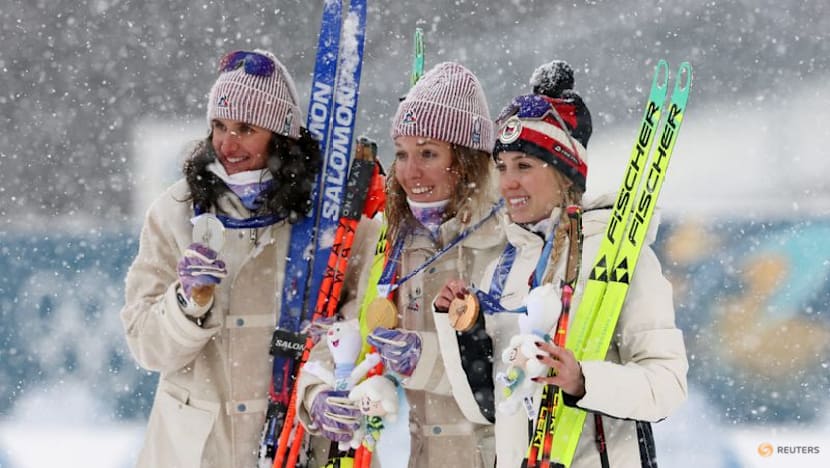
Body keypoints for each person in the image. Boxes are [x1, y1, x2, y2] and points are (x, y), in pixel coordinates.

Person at [120, 49, 375, 468]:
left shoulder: (333, 221)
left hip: (294, 443)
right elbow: (147, 347)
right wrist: (187, 304)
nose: (227, 143)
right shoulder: (174, 213)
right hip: (196, 450)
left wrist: (322, 386)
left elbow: (355, 323)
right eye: (218, 126)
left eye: (245, 128)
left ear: (280, 136)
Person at [434, 60, 689, 467]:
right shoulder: (502, 265)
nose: (508, 182)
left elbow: (667, 386)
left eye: (524, 166)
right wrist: (465, 330)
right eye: (502, 167)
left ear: (563, 172)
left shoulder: (619, 254)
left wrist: (583, 379)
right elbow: (487, 409)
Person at [295, 62, 506, 467]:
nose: (410, 172)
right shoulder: (391, 238)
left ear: (466, 158)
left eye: (428, 153)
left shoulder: (506, 238)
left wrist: (424, 359)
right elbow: (348, 333)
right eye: (403, 154)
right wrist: (318, 392)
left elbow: (515, 373)